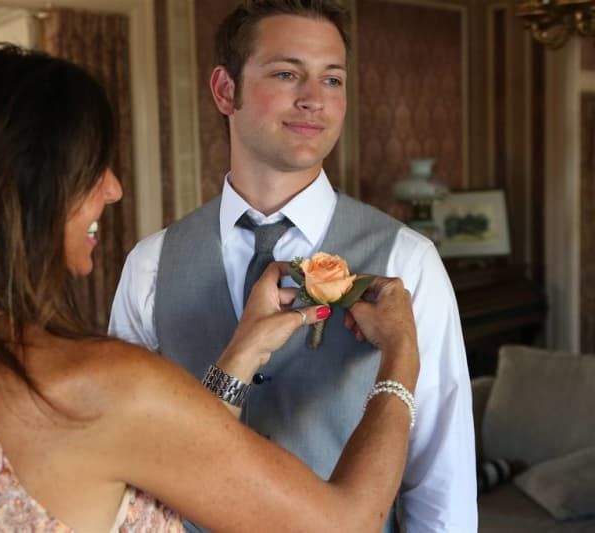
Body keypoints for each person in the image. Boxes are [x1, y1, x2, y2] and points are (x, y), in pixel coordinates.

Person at [0, 44, 421, 532]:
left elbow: (144, 456)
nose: (116, 188)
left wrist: (242, 352)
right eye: (92, 167)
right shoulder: (97, 383)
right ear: (27, 190)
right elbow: (346, 523)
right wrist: (400, 361)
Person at [109, 1, 478, 532]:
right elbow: (126, 456)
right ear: (224, 90)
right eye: (287, 74)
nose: (314, 100)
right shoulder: (149, 266)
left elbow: (442, 473)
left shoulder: (408, 261)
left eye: (332, 80)